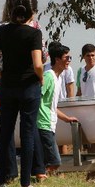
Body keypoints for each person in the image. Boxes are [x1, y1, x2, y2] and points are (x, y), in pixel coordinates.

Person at [0, 0, 44, 187]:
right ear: (32, 13)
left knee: (5, 132)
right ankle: (25, 184)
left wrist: (1, 73)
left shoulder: (3, 30)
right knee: (27, 134)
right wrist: (41, 77)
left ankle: (0, 181)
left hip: (6, 87)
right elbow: (37, 63)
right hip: (28, 88)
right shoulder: (34, 33)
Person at [35, 42, 78, 177]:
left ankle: (39, 177)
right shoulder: (48, 76)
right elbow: (36, 98)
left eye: (69, 58)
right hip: (43, 123)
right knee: (55, 161)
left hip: (50, 123)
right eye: (66, 58)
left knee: (46, 159)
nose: (69, 61)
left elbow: (51, 106)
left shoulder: (58, 78)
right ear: (57, 59)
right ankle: (39, 176)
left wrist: (66, 118)